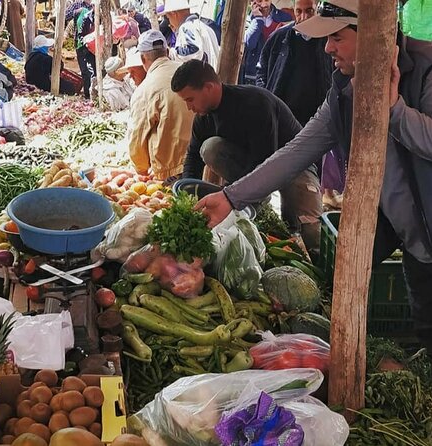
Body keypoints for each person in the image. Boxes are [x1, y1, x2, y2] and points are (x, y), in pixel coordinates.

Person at [195, 0, 432, 352]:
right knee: (424, 323)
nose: (328, 48)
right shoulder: (343, 91)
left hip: (426, 228)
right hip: (407, 234)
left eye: (337, 37)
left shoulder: (426, 71)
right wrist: (231, 198)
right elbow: (297, 151)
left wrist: (395, 110)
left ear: (374, 36)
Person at [172, 59, 322, 251]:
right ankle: (254, 202)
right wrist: (187, 201)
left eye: (190, 99)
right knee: (210, 147)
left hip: (294, 165)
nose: (189, 108)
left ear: (209, 87)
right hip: (254, 163)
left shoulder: (255, 103)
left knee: (309, 234)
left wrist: (233, 197)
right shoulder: (203, 118)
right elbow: (192, 157)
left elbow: (266, 160)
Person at [129, 31, 194, 183]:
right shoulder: (188, 71)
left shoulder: (144, 90)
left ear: (142, 58)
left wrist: (141, 169)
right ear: (166, 51)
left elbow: (137, 136)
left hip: (173, 169)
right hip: (202, 158)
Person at [256, 0, 332, 125]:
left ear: (317, 9)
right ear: (294, 10)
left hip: (317, 119)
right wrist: (266, 100)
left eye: (309, 11)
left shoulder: (329, 40)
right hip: (282, 117)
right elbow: (261, 70)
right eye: (299, 11)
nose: (304, 17)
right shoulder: (279, 37)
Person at [240, 0, 293, 85]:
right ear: (252, 2)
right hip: (252, 75)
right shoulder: (246, 20)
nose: (264, 4)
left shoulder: (284, 17)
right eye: (260, 0)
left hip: (275, 73)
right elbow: (250, 43)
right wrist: (258, 19)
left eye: (267, 0)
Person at [162, 0, 220, 67]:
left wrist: (171, 53)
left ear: (174, 14)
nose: (170, 22)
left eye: (169, 18)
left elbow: (194, 50)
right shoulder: (204, 27)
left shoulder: (187, 27)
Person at [65, 0, 96, 98]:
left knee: (91, 69)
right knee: (86, 70)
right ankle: (88, 93)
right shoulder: (78, 7)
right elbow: (66, 17)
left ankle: (91, 92)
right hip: (82, 44)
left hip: (91, 44)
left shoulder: (94, 8)